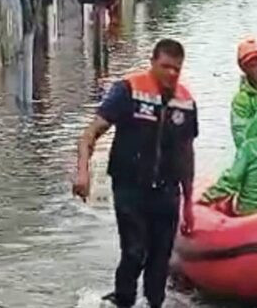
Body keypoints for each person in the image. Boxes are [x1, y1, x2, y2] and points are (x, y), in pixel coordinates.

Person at [72, 38, 198, 308]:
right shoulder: (128, 90)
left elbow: (187, 155)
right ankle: (123, 300)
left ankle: (154, 303)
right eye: (165, 66)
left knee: (160, 258)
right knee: (134, 252)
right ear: (152, 62)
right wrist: (83, 173)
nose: (171, 74)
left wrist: (189, 204)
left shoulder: (185, 102)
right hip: (130, 187)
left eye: (177, 68)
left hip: (167, 191)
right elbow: (89, 134)